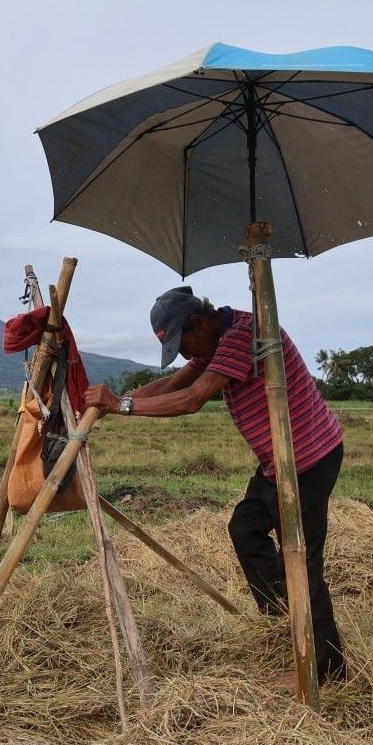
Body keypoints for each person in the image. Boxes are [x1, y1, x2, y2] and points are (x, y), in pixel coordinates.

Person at [84, 285, 347, 683]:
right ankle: (284, 625)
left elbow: (191, 399)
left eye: (184, 344)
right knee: (245, 528)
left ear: (200, 324)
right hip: (276, 462)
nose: (187, 355)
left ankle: (327, 669)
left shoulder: (244, 333)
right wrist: (115, 404)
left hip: (306, 459)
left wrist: (121, 405)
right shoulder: (215, 340)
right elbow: (174, 383)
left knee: (303, 559)